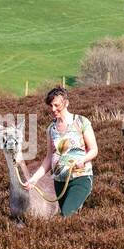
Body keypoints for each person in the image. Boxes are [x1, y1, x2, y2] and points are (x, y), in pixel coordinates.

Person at [22, 86, 98, 216]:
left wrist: (83, 159)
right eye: (51, 106)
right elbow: (49, 158)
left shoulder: (81, 122)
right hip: (59, 182)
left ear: (66, 103)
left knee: (66, 215)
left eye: (56, 105)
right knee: (69, 219)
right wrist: (34, 179)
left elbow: (94, 149)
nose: (53, 109)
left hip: (80, 178)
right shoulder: (51, 129)